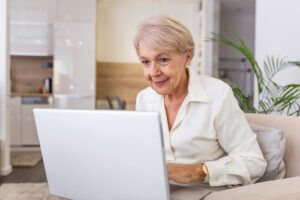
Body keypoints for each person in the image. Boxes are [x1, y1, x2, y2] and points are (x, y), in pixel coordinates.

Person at [134, 15, 267, 187]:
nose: (153, 72)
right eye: (145, 62)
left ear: (188, 56)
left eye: (163, 60)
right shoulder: (144, 98)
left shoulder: (218, 95)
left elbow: (254, 162)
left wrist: (199, 170)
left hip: (202, 194)